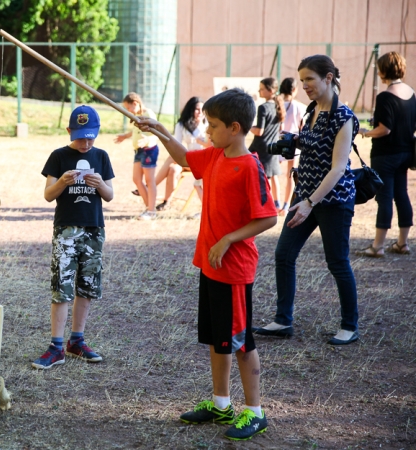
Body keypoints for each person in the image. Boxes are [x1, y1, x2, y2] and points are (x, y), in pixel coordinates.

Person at [137, 89, 278, 441]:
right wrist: (159, 132)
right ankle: (220, 404)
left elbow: (268, 218)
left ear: (234, 128)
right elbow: (185, 157)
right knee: (219, 340)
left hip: (234, 271)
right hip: (212, 266)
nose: (206, 130)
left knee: (241, 343)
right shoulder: (216, 154)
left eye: (212, 126)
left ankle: (255, 412)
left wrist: (229, 238)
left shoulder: (249, 166)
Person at [254, 55, 361, 345]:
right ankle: (282, 320)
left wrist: (310, 201)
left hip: (333, 199)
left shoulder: (344, 116)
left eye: (310, 79)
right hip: (305, 196)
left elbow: (338, 168)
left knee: (337, 262)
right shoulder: (311, 111)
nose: (304, 86)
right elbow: (313, 148)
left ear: (328, 78)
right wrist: (295, 143)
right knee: (284, 254)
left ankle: (349, 326)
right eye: (301, 80)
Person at [32, 105, 115, 370]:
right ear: (69, 131)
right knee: (62, 286)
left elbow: (110, 194)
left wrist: (100, 184)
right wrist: (62, 183)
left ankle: (76, 341)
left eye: (90, 136)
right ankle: (56, 346)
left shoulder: (101, 156)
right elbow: (48, 195)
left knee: (87, 286)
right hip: (66, 229)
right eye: (80, 137)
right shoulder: (58, 156)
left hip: (93, 230)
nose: (86, 142)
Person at [355, 51, 414, 257]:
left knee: (384, 198)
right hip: (406, 152)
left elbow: (385, 129)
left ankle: (377, 246)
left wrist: (366, 132)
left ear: (382, 71)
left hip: (385, 154)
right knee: (402, 195)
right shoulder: (411, 93)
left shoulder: (385, 96)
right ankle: (402, 243)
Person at [153, 97, 210, 211]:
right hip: (187, 158)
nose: (200, 113)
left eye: (201, 109)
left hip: (202, 159)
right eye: (197, 109)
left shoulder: (207, 124)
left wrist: (202, 142)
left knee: (172, 160)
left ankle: (151, 185)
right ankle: (166, 201)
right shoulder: (182, 125)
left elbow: (211, 145)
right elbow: (177, 144)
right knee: (173, 168)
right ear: (191, 110)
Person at [114, 93, 160, 220]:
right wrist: (125, 136)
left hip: (149, 150)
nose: (128, 111)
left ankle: (151, 211)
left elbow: (157, 133)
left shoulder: (148, 114)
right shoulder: (137, 115)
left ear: (135, 103)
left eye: (128, 108)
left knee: (149, 181)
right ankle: (149, 208)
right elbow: (136, 131)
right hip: (138, 150)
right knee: (136, 179)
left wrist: (147, 141)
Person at [249, 77, 285, 210]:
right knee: (274, 176)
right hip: (273, 147)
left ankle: (263, 204)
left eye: (262, 89)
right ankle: (277, 204)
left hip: (261, 148)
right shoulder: (278, 105)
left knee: (261, 179)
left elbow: (259, 131)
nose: (259, 91)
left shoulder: (263, 107)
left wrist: (247, 127)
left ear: (270, 91)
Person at [278, 78, 308, 215]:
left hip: (279, 141)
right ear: (295, 90)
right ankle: (285, 205)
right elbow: (302, 127)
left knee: (274, 176)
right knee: (290, 175)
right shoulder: (300, 106)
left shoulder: (277, 104)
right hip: (293, 144)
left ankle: (275, 202)